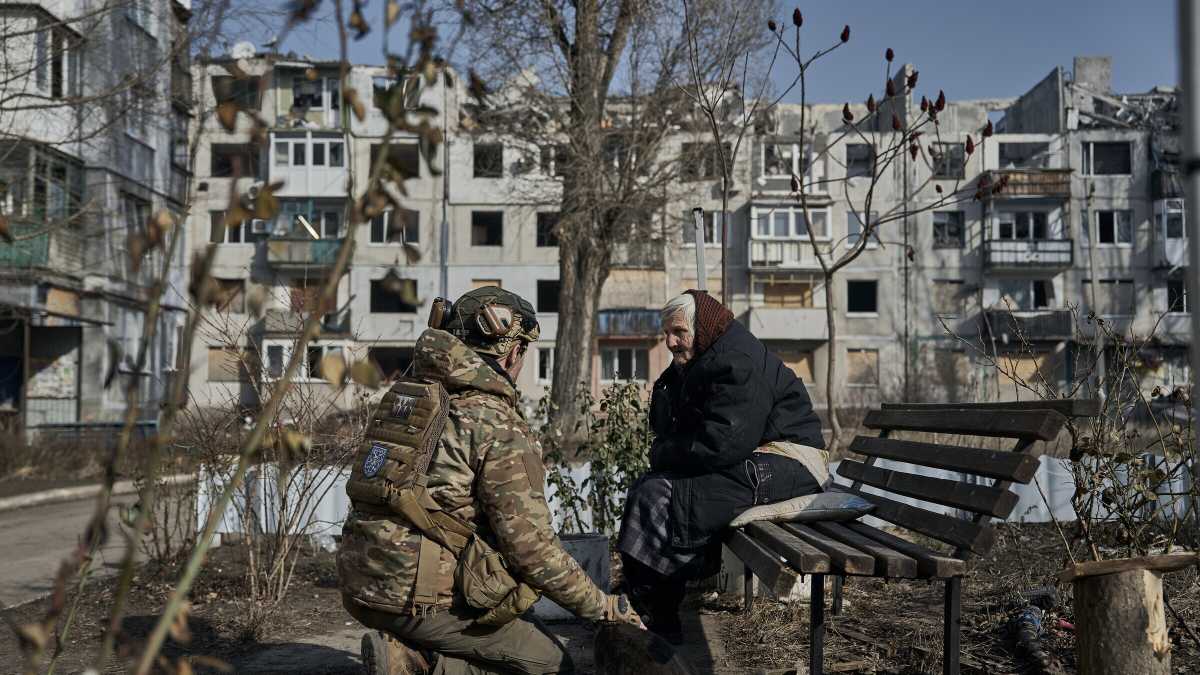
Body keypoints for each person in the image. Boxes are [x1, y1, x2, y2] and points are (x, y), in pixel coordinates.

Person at [338, 286, 641, 675]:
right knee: (551, 664)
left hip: (358, 584)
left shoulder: (405, 399)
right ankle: (417, 664)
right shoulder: (494, 421)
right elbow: (534, 552)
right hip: (417, 599)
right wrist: (605, 609)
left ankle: (409, 646)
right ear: (513, 352)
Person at [617, 290, 826, 643]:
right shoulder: (705, 356)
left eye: (679, 332)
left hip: (791, 460)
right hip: (755, 455)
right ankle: (647, 599)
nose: (670, 342)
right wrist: (675, 383)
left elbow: (723, 443)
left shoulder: (736, 360)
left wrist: (664, 453)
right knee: (649, 487)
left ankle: (656, 612)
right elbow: (679, 427)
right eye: (666, 333)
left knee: (670, 495)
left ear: (702, 328)